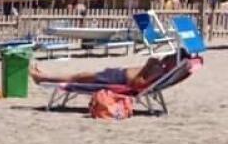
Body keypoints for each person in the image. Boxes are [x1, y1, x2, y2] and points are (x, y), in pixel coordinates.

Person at [30, 52, 181, 89]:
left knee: (77, 77)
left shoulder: (159, 72)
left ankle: (42, 78)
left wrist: (147, 66)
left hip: (117, 80)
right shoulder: (161, 69)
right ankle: (43, 76)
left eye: (172, 56)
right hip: (117, 75)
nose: (168, 56)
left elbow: (136, 83)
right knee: (78, 76)